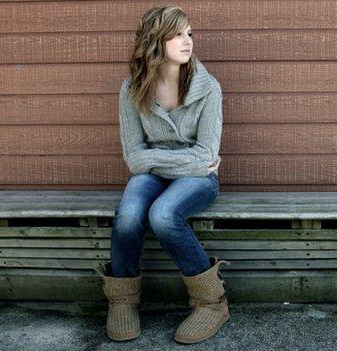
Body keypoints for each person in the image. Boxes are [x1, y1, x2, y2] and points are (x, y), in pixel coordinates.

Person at [94, 5, 231, 344]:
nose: (187, 41)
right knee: (128, 215)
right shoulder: (132, 88)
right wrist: (185, 161)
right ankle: (122, 301)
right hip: (164, 173)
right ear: (157, 40)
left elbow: (207, 157)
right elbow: (133, 158)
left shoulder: (208, 88)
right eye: (178, 34)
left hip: (199, 181)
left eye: (190, 34)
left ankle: (212, 303)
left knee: (164, 214)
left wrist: (159, 160)